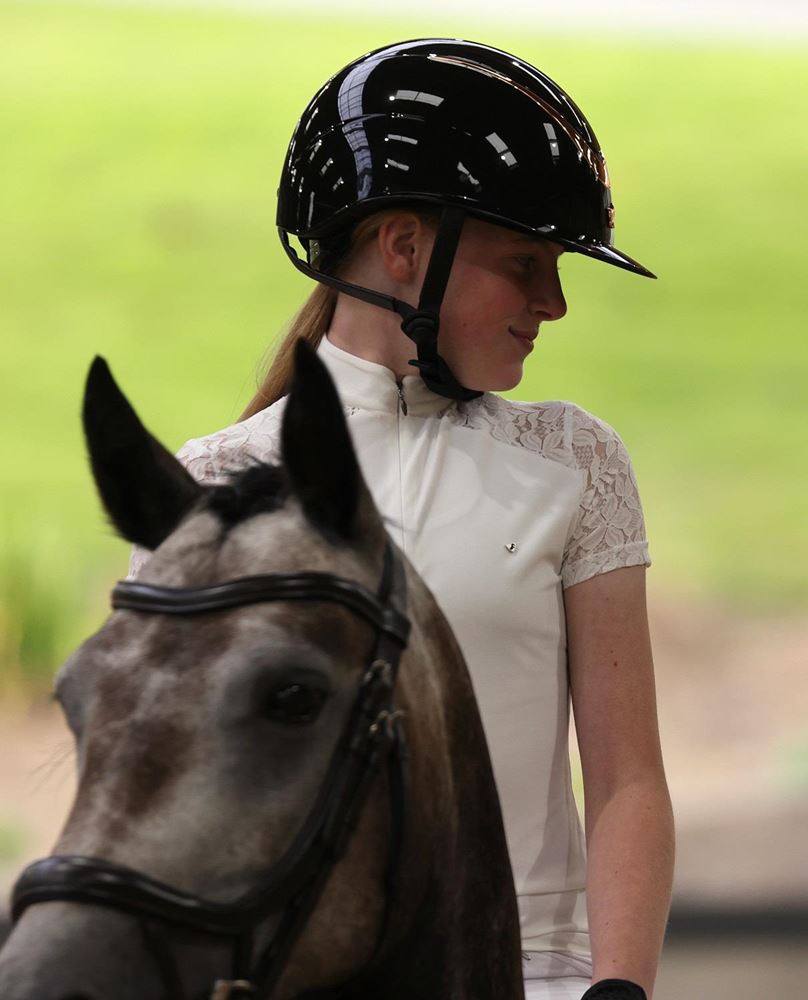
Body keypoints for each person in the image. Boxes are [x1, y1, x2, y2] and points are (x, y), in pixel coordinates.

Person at [129, 38, 675, 1000]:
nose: (552, 303)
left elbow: (628, 778)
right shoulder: (209, 487)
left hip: (531, 976)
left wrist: (619, 988)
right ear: (406, 248)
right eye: (525, 263)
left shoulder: (576, 464)